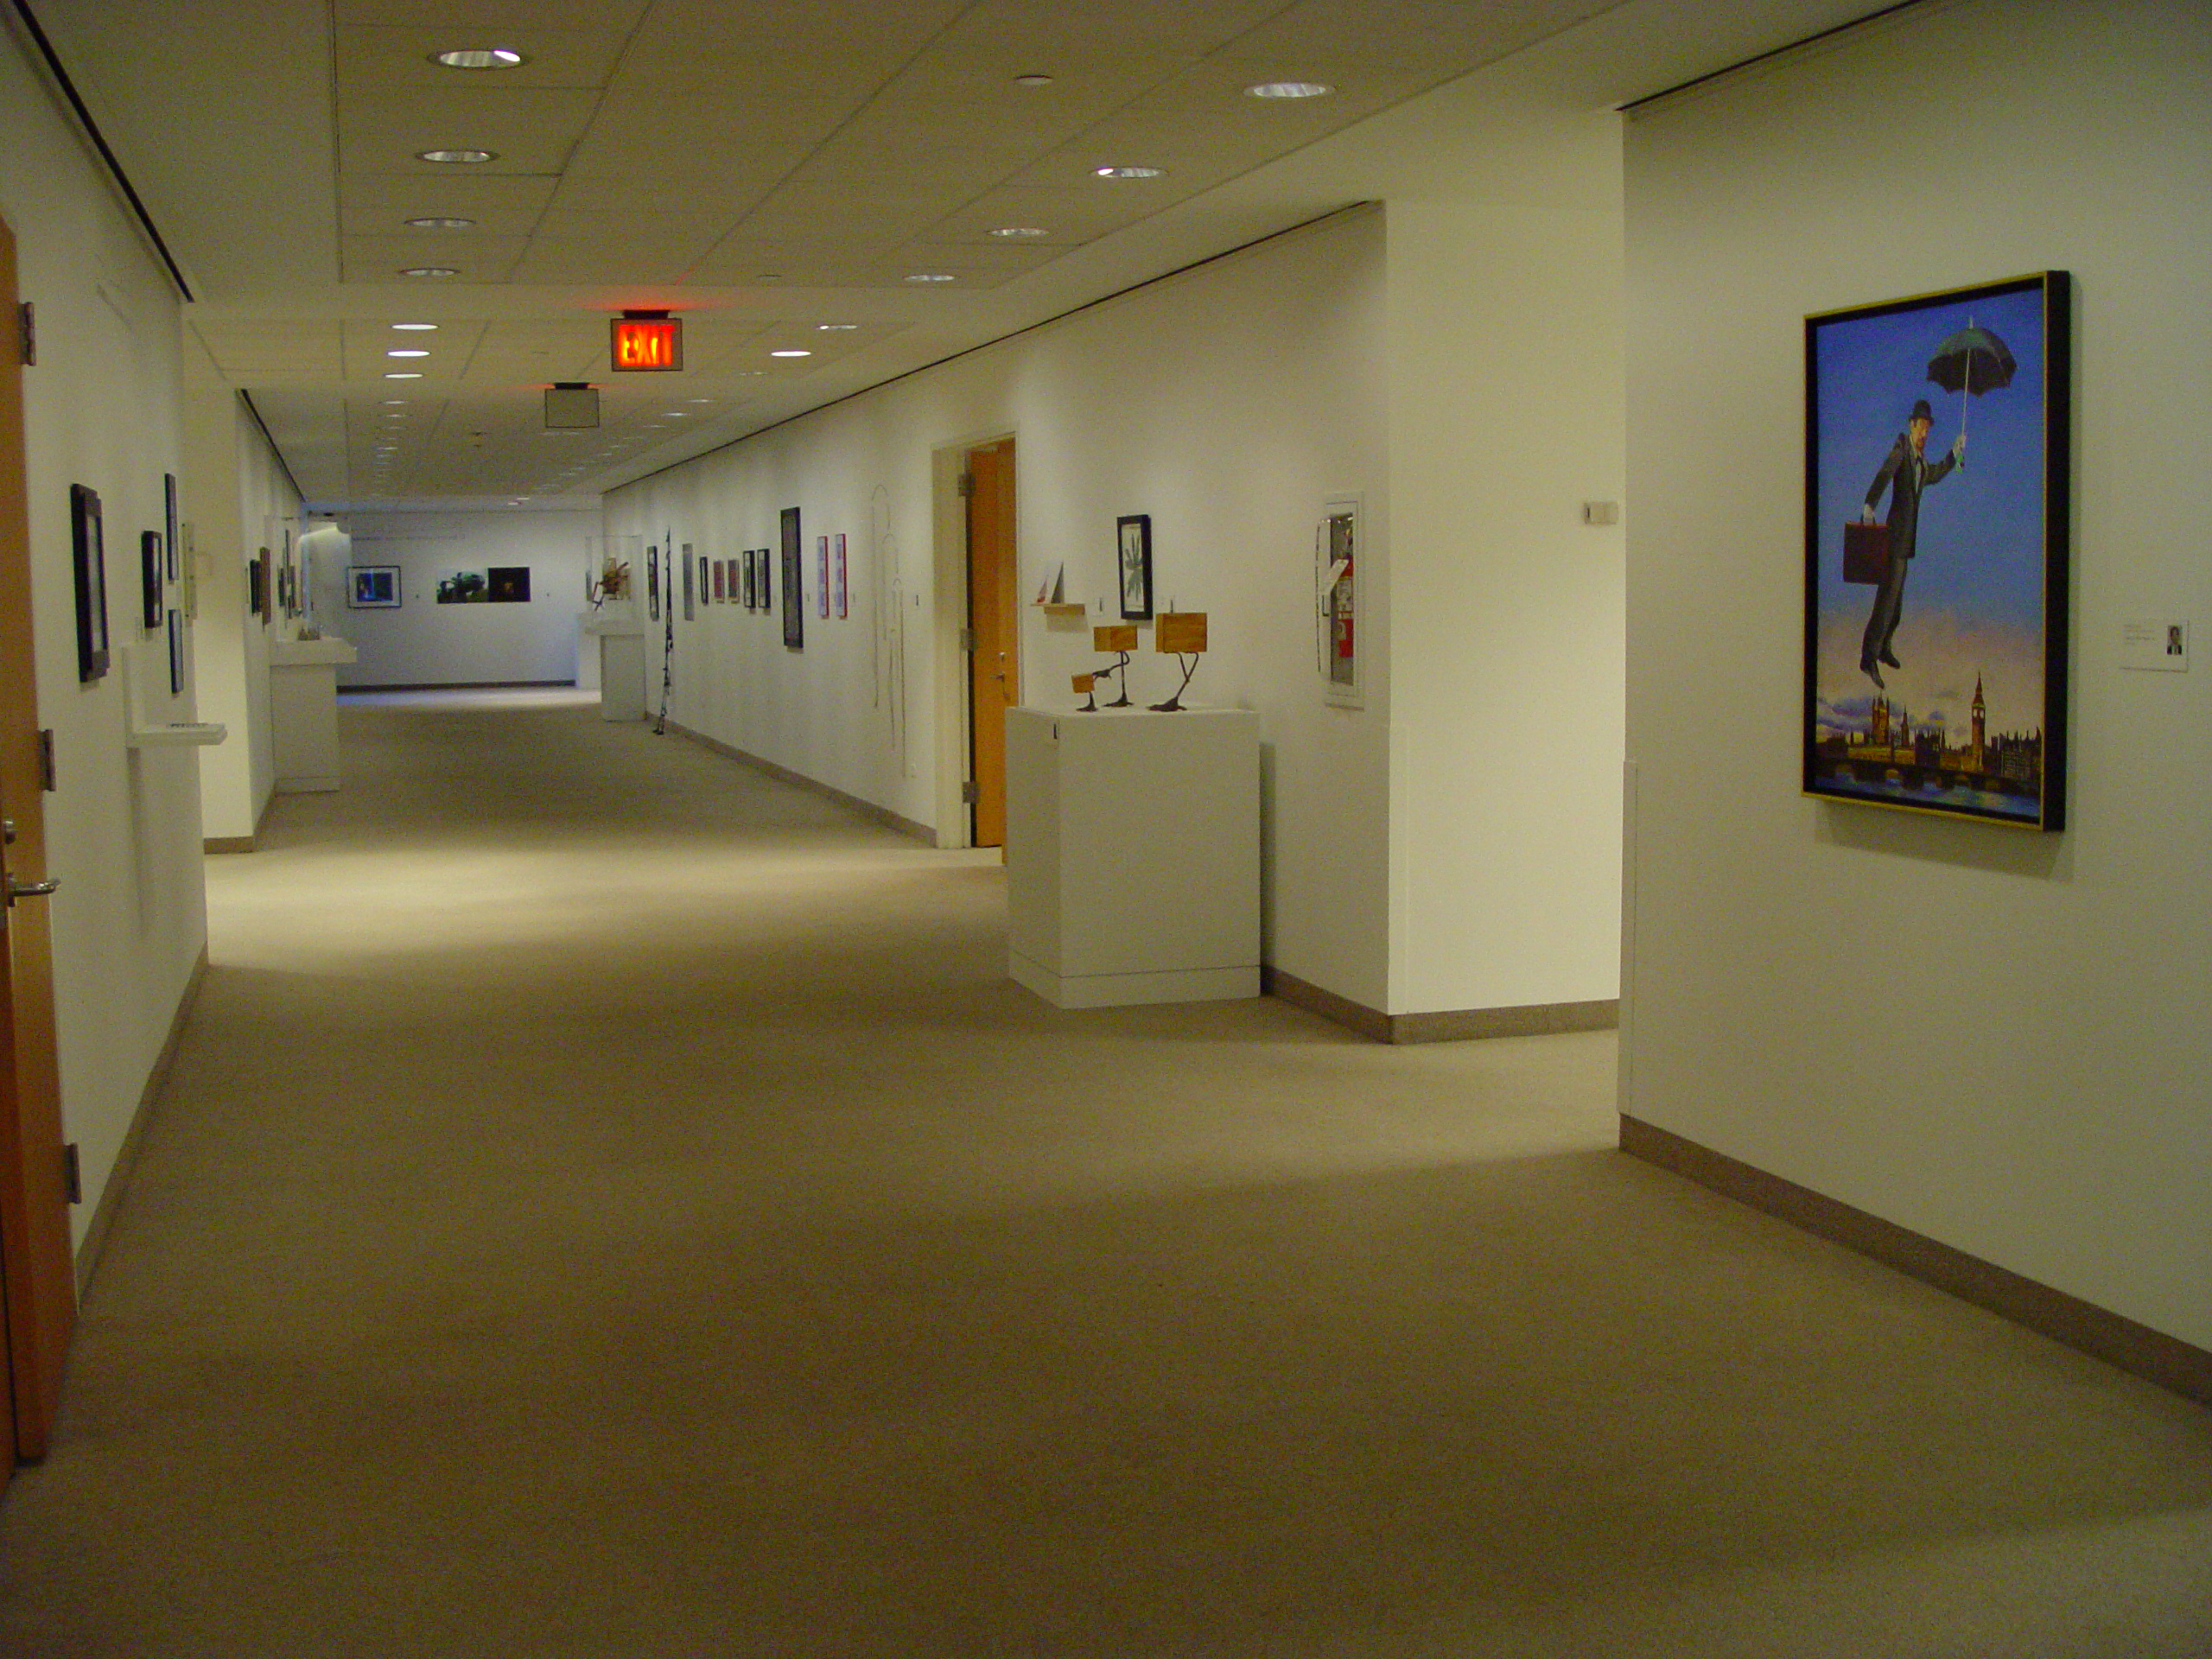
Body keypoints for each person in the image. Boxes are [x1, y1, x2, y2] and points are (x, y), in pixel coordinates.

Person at [1859, 397, 1964, 687]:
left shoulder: (1920, 462)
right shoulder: (1903, 448)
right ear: (1912, 425)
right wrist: (1870, 505)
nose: (1925, 434)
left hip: (1905, 545)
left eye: (1929, 429)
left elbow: (1936, 473)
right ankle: (1868, 658)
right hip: (1893, 540)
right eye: (1922, 428)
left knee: (1897, 604)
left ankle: (1884, 647)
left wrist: (1954, 454)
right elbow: (1885, 472)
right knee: (1886, 601)